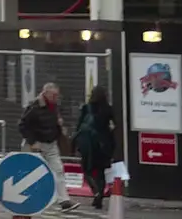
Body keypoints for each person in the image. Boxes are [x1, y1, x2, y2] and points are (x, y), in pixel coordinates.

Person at [20, 82, 76, 213]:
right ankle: (27, 198)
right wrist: (32, 142)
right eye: (54, 95)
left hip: (50, 144)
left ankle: (64, 201)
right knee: (32, 173)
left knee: (58, 170)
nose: (56, 98)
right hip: (35, 145)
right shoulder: (34, 107)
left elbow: (53, 122)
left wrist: (59, 129)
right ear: (45, 94)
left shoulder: (54, 107)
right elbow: (23, 125)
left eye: (57, 95)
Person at [75, 84, 117, 210]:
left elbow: (79, 125)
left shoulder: (86, 108)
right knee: (101, 171)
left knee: (87, 169)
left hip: (88, 142)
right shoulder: (108, 109)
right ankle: (99, 196)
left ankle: (96, 192)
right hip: (103, 143)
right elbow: (115, 125)